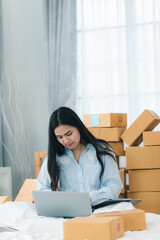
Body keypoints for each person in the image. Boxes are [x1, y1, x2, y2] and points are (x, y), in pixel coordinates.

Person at [37, 107, 123, 206]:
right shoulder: (56, 157)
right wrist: (59, 201)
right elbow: (42, 188)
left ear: (78, 127)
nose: (65, 140)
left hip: (99, 208)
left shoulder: (101, 150)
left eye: (69, 134)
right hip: (68, 212)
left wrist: (91, 198)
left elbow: (114, 185)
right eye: (60, 137)